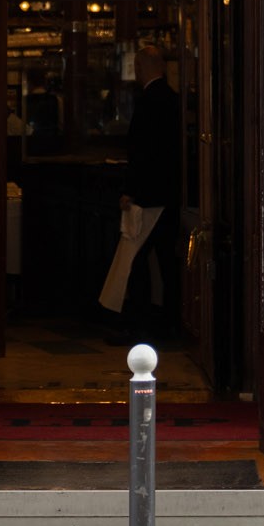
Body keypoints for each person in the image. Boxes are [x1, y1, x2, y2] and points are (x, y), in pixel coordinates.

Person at [99, 41, 182, 341]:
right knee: (166, 262)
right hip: (170, 194)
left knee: (135, 260)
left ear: (142, 68)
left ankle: (139, 322)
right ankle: (172, 322)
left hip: (148, 197)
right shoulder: (174, 100)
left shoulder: (148, 101)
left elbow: (144, 151)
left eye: (135, 67)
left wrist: (130, 190)